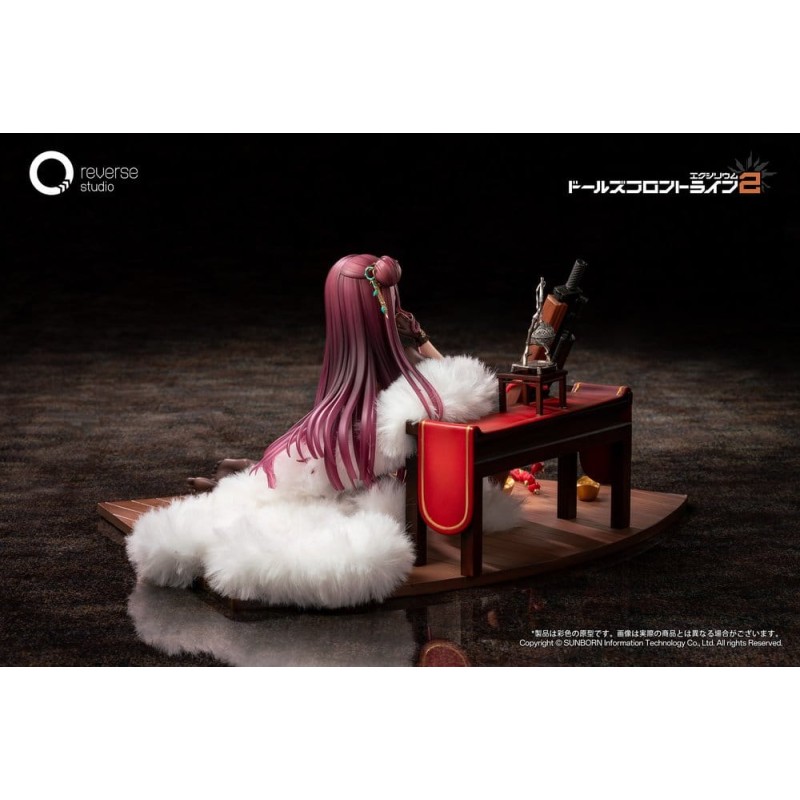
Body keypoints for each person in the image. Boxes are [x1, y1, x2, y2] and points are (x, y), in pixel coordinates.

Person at [127, 253, 521, 608]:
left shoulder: (361, 419)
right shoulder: (423, 395)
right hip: (358, 478)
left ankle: (236, 479)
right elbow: (470, 382)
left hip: (326, 477)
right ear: (392, 308)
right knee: (273, 482)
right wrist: (420, 338)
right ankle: (239, 477)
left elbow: (306, 478)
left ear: (339, 316)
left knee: (265, 495)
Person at [186, 253, 444, 493]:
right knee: (312, 469)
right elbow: (457, 379)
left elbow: (458, 384)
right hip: (354, 470)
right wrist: (420, 337)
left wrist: (418, 338)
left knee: (308, 480)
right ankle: (250, 475)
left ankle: (245, 480)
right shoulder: (405, 361)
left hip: (359, 474)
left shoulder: (369, 373)